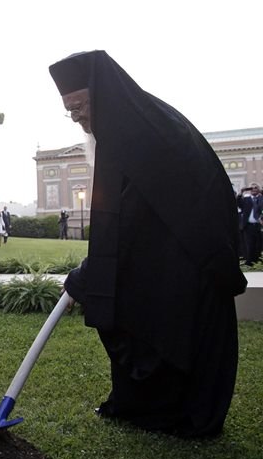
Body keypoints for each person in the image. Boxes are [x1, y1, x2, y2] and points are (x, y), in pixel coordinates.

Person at [50, 50, 246, 437]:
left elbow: (127, 222)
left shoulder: (138, 134)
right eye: (68, 110)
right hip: (168, 254)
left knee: (170, 331)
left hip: (189, 258)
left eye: (78, 106)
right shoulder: (130, 124)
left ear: (99, 94)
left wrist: (88, 274)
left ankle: (175, 412)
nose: (75, 117)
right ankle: (144, 405)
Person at [236, 183, 262, 266]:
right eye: (252, 188)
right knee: (249, 244)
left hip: (259, 225)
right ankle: (249, 262)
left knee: (259, 244)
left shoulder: (261, 198)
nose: (254, 189)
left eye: (256, 188)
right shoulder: (246, 199)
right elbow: (238, 203)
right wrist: (241, 193)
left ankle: (259, 261)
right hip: (248, 226)